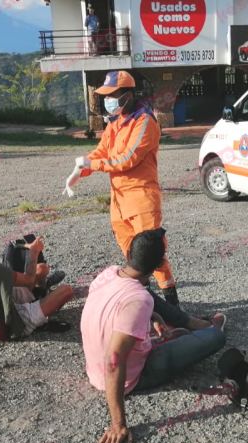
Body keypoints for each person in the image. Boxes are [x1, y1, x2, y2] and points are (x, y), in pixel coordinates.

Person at [80, 229, 227, 443]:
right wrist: (118, 424)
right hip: (129, 378)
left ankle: (181, 331)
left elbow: (120, 304)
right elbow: (113, 361)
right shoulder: (140, 299)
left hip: (93, 369)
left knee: (144, 293)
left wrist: (154, 316)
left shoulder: (107, 273)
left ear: (129, 253)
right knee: (216, 336)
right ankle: (198, 329)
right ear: (160, 263)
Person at [63, 70, 181, 306]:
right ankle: (144, 303)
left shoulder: (144, 121)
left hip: (142, 200)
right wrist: (80, 170)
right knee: (131, 256)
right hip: (119, 202)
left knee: (153, 256)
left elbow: (127, 159)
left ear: (127, 95)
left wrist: (92, 164)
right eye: (105, 94)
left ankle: (171, 303)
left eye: (112, 94)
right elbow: (101, 152)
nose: (107, 99)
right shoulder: (115, 123)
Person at [0, 224, 74, 341]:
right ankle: (41, 300)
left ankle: (41, 292)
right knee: (66, 290)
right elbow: (29, 281)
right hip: (10, 328)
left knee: (41, 268)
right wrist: (34, 252)